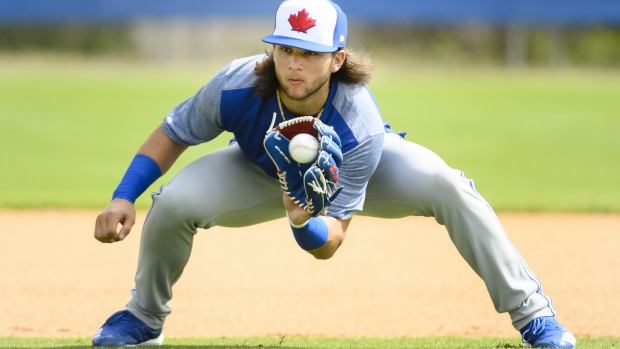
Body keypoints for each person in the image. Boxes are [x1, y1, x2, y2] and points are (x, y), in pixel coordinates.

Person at [91, 0, 576, 347]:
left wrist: (303, 222)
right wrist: (122, 195)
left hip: (355, 171)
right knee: (173, 203)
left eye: (309, 53)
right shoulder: (237, 84)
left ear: (337, 59)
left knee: (449, 186)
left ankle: (535, 317)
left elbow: (333, 240)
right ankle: (143, 318)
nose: (294, 64)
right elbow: (173, 131)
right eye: (285, 50)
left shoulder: (358, 120)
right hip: (258, 170)